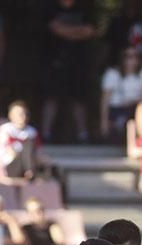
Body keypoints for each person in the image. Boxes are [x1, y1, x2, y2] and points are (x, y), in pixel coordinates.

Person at [41, 0, 95, 143]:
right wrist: (78, 31)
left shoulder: (83, 9)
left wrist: (65, 31)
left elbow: (89, 31)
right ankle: (46, 134)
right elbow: (55, 28)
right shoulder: (51, 8)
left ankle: (82, 135)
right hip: (55, 63)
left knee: (78, 99)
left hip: (78, 63)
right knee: (52, 98)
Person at [100, 47, 142, 140]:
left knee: (141, 108)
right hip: (116, 109)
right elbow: (105, 99)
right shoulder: (112, 73)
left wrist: (134, 101)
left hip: (136, 108)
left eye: (135, 56)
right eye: (128, 56)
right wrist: (103, 122)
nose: (132, 59)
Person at [0, 100, 42, 180]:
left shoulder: (32, 131)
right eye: (19, 114)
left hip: (29, 163)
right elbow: (11, 152)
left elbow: (38, 153)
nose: (22, 117)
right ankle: (30, 172)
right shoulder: (5, 129)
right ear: (11, 115)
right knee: (28, 144)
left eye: (24, 114)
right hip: (10, 165)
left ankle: (29, 171)